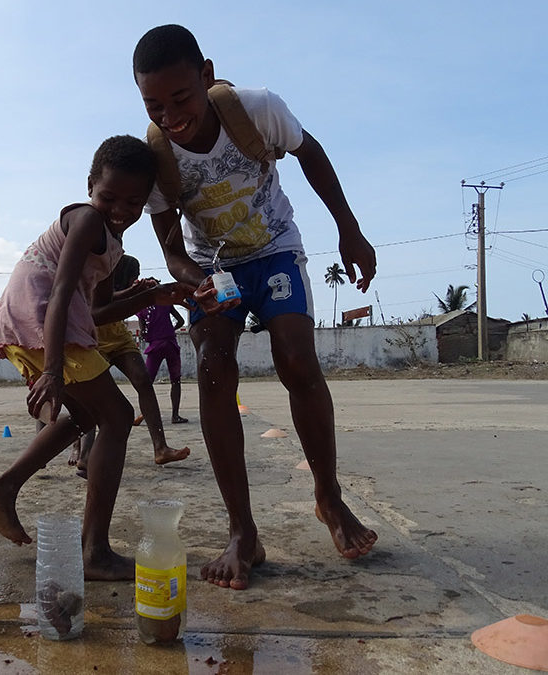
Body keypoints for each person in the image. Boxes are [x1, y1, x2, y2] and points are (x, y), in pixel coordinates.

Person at [132, 24, 378, 589]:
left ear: (207, 75)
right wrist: (198, 281)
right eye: (154, 105)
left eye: (181, 99)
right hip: (212, 268)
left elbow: (310, 153)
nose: (171, 117)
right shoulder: (156, 155)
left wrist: (350, 229)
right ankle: (244, 532)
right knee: (215, 371)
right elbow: (170, 247)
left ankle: (329, 499)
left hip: (275, 250)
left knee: (297, 360)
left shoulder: (258, 110)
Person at [0, 135, 193, 581]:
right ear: (90, 185)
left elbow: (96, 311)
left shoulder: (111, 243)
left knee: (84, 417)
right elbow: (60, 291)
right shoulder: (87, 219)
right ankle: (93, 551)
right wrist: (54, 370)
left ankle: (4, 488)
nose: (119, 209)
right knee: (116, 415)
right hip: (40, 315)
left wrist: (157, 293)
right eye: (109, 196)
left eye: (134, 202)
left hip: (38, 317)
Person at [67, 254, 190, 478]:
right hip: (92, 339)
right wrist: (139, 292)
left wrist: (146, 290)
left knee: (143, 380)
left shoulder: (125, 286)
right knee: (91, 400)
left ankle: (160, 447)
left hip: (119, 338)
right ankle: (83, 454)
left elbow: (129, 304)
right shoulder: (95, 279)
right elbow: (101, 305)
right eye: (133, 276)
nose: (136, 278)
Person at [136, 293, 188, 424]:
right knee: (175, 381)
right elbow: (181, 321)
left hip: (155, 346)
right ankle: (175, 416)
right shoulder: (166, 303)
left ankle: (144, 414)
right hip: (170, 343)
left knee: (146, 383)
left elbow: (143, 332)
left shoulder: (142, 307)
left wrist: (149, 332)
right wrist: (170, 329)